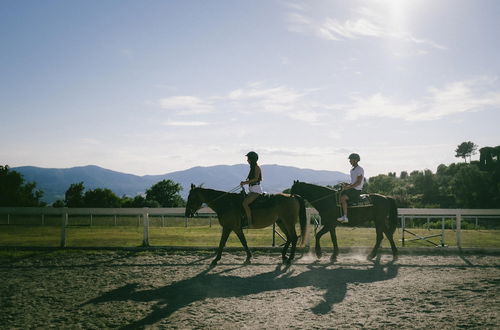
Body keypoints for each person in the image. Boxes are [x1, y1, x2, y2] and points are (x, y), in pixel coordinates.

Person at [337, 153, 364, 224]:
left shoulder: (360, 169)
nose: (349, 161)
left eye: (351, 160)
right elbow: (353, 182)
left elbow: (358, 182)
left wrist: (348, 187)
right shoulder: (352, 170)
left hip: (356, 190)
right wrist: (346, 184)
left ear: (355, 160)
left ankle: (345, 217)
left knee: (342, 198)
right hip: (352, 188)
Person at [240, 151, 263, 227]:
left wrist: (245, 183)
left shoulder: (256, 167)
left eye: (248, 158)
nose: (247, 160)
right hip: (252, 189)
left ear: (252, 159)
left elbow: (256, 179)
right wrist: (245, 183)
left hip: (256, 190)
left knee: (245, 203)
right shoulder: (252, 167)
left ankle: (249, 223)